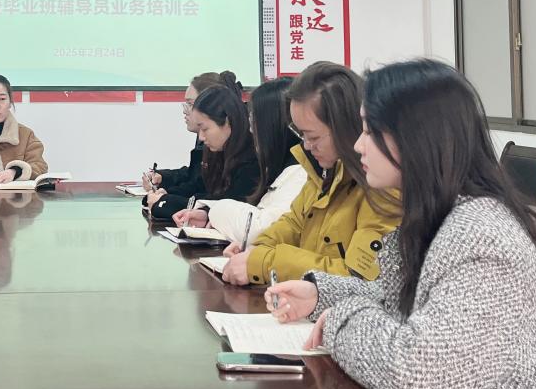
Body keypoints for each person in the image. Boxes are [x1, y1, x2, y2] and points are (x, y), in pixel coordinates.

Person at [265, 59, 536, 389]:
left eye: (370, 131)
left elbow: (419, 373)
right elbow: (406, 303)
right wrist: (322, 294)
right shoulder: (440, 216)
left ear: (414, 138)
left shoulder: (482, 233)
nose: (357, 145)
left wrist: (341, 319)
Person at [220, 61, 400, 286]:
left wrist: (264, 262)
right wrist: (257, 249)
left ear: (346, 128)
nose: (306, 145)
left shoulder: (383, 186)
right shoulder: (324, 172)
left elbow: (358, 278)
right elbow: (293, 224)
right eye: (300, 134)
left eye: (313, 137)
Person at [173, 77, 306, 247]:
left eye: (254, 122)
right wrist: (207, 212)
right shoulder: (280, 166)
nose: (251, 130)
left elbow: (258, 230)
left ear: (272, 126)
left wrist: (214, 210)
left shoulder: (298, 171)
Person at [145, 83, 259, 221]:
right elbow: (200, 187)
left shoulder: (251, 160)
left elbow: (227, 205)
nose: (201, 137)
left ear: (227, 122)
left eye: (205, 129)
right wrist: (165, 194)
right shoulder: (217, 151)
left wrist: (166, 202)